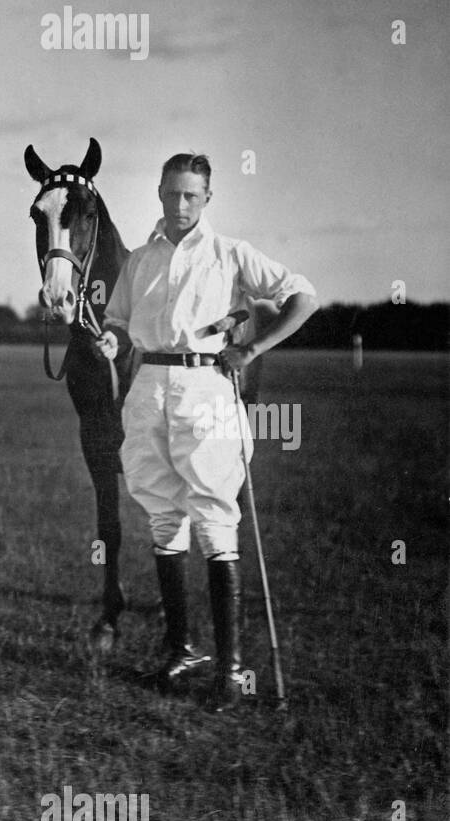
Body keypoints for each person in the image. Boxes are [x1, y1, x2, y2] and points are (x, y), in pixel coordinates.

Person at [95, 152, 317, 709]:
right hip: (146, 387)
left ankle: (231, 669)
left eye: (190, 195)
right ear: (159, 193)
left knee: (215, 516)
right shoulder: (141, 260)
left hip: (207, 387)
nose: (179, 204)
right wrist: (112, 340)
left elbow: (302, 295)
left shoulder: (230, 254)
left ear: (208, 198)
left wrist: (254, 347)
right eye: (171, 193)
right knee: (161, 513)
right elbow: (121, 322)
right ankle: (180, 650)